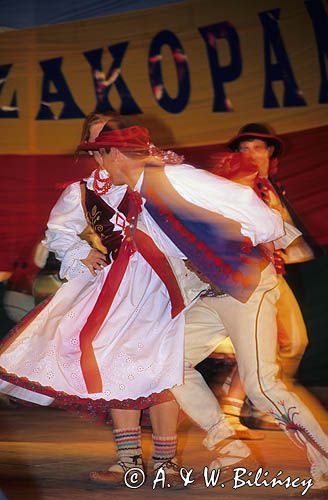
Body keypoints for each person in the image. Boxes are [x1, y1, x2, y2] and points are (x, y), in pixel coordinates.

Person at [0, 120, 283, 486]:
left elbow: (206, 210)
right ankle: (129, 463)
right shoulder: (82, 191)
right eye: (96, 137)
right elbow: (58, 231)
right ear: (89, 144)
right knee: (117, 362)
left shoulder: (159, 175)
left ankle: (167, 462)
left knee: (164, 365)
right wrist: (82, 252)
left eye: (109, 137)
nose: (103, 146)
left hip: (170, 280)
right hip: (121, 286)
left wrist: (251, 238)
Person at [170, 126, 328, 492]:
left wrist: (266, 250)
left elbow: (297, 245)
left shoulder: (261, 191)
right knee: (167, 361)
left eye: (257, 147)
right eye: (243, 147)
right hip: (213, 295)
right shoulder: (222, 185)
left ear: (269, 154)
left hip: (249, 291)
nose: (249, 154)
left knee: (265, 382)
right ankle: (226, 439)